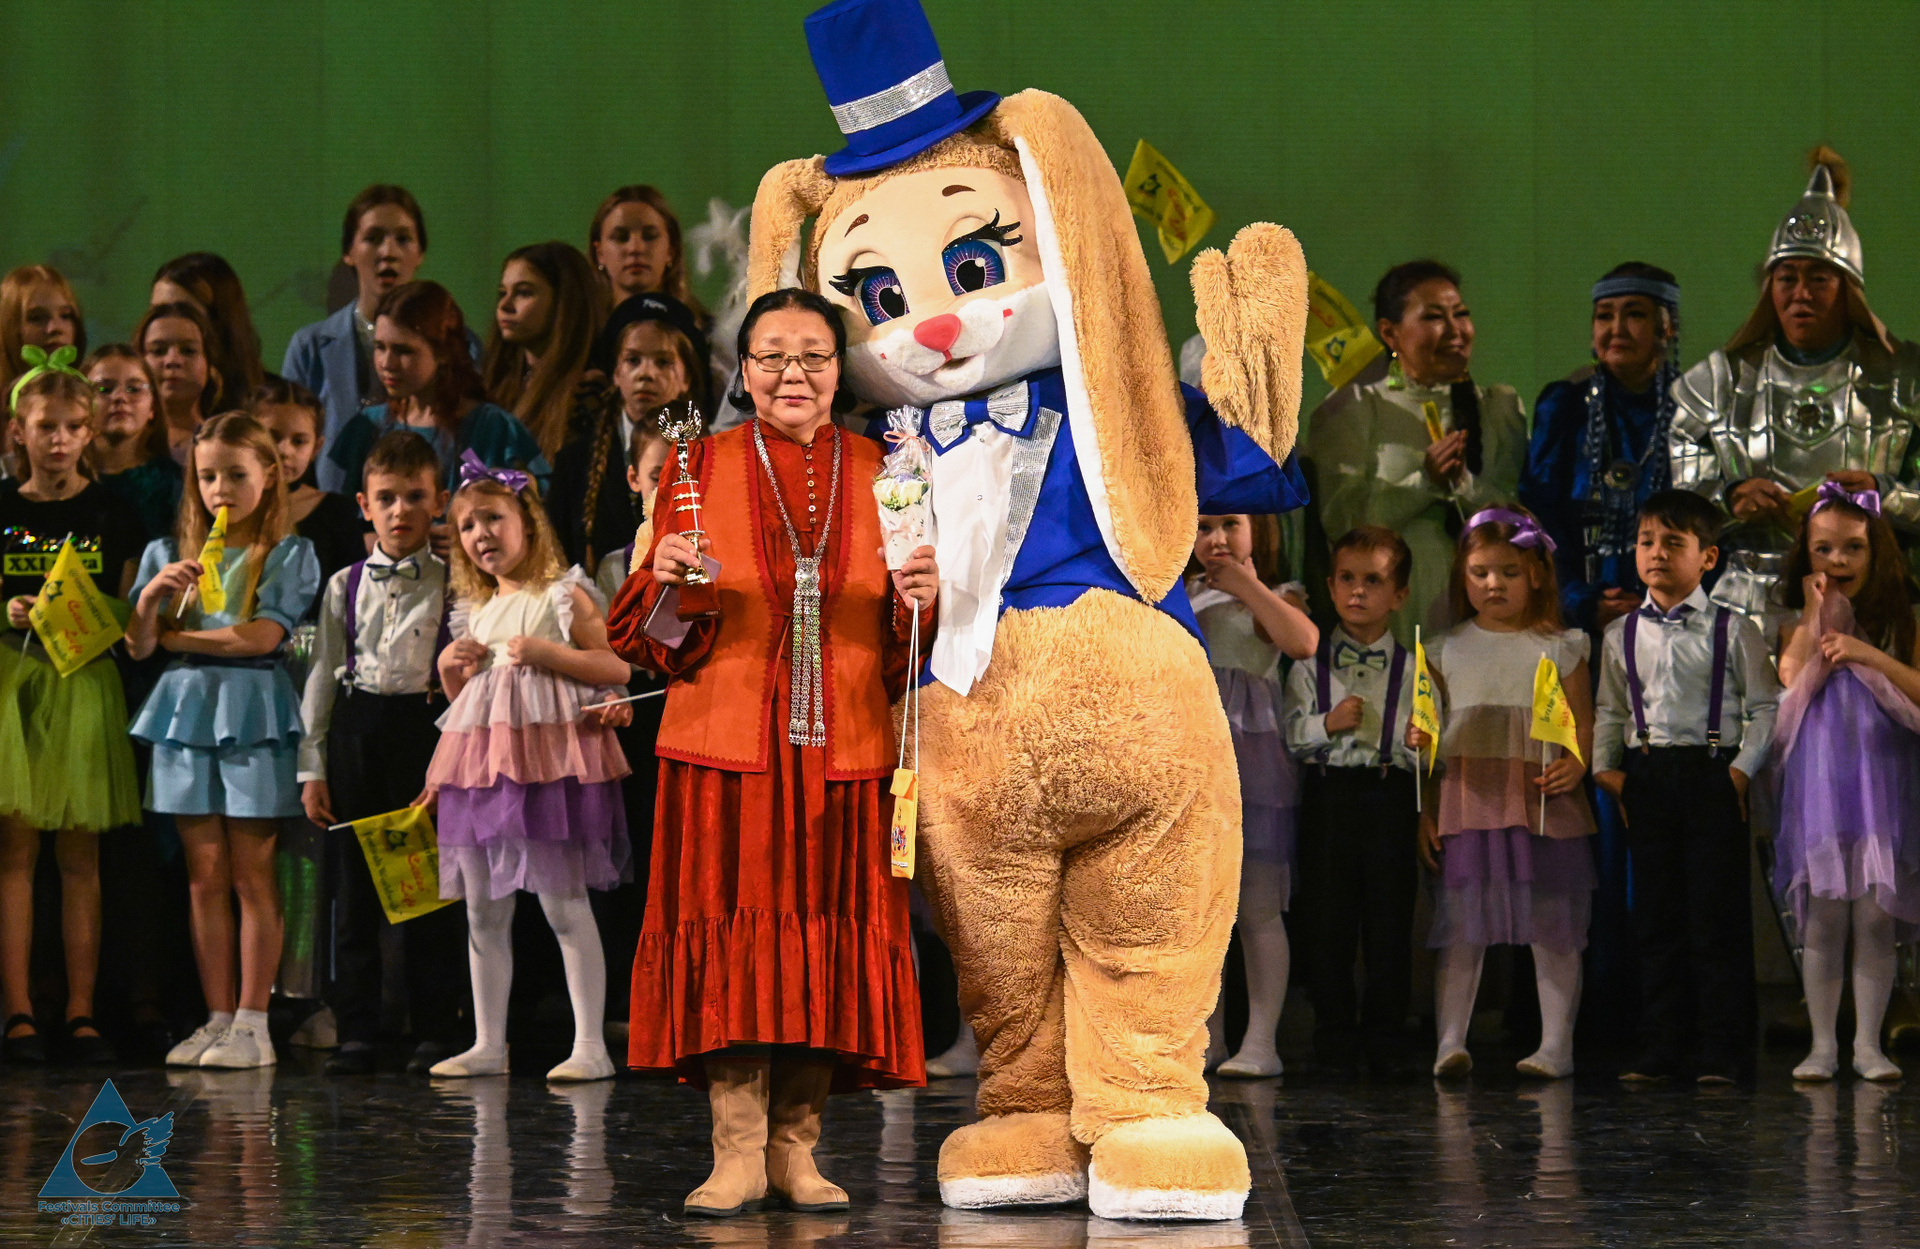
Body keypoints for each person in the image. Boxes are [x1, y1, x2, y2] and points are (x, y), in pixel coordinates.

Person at [606, 288, 936, 1217]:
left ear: (842, 369)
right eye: (773, 355)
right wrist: (666, 582)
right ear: (744, 371)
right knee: (735, 942)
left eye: (814, 355)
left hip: (846, 747)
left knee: (827, 942)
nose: (794, 373)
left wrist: (921, 599)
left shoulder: (888, 470)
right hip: (726, 749)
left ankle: (797, 1149)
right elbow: (651, 643)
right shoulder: (693, 467)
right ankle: (737, 1151)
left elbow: (910, 650)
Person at [419, 452, 633, 1083]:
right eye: (467, 526)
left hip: (547, 773)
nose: (480, 534)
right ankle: (489, 1042)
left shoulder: (562, 594)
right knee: (482, 910)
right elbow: (472, 711)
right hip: (485, 776)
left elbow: (616, 667)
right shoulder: (474, 611)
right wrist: (450, 672)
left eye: (493, 518)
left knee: (563, 903)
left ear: (527, 522)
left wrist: (545, 653)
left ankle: (590, 1044)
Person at [127, 413, 321, 1070]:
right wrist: (151, 601)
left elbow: (262, 636)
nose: (221, 489)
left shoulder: (288, 552)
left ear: (268, 476)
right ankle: (217, 1017)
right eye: (208, 476)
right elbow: (138, 646)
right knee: (203, 874)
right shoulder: (166, 553)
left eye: (237, 475)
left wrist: (176, 638)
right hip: (184, 714)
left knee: (250, 872)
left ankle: (254, 1021)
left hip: (253, 709)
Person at [1670, 148, 1920, 623]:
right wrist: (1731, 498)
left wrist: (1882, 492)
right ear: (1770, 288)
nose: (1801, 293)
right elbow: (1678, 506)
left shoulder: (1903, 378)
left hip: (1872, 603)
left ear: (1848, 288)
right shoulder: (1718, 382)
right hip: (1747, 605)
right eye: (1787, 278)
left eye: (1819, 278)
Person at [298, 430, 472, 1077]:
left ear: (439, 503)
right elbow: (321, 675)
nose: (401, 510)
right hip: (357, 729)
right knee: (354, 893)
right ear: (364, 505)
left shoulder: (456, 582)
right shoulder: (344, 583)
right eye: (387, 498)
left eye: (415, 497)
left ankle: (435, 1026)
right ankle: (357, 1030)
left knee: (429, 885)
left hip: (423, 728)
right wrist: (313, 766)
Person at [1592, 490, 1779, 1085]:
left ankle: (1723, 1047)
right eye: (1647, 541)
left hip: (1711, 773)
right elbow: (1610, 710)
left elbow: (1766, 707)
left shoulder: (1734, 629)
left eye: (1674, 543)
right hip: (1647, 774)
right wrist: (1607, 772)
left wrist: (1741, 770)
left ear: (1708, 557)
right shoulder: (1621, 633)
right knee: (1656, 916)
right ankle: (1662, 1044)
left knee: (1715, 917)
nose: (1656, 553)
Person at [1411, 506, 1596, 1080]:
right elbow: (1428, 742)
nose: (1495, 584)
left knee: (1554, 926)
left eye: (1510, 573)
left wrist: (1576, 764)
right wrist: (1426, 802)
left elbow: (1583, 721)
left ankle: (1556, 1046)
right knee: (1462, 927)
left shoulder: (1563, 646)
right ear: (1463, 577)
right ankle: (1450, 1041)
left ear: (1536, 574)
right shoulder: (1443, 649)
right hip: (1470, 801)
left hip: (1541, 797)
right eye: (1481, 573)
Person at [0, 358, 145, 1066]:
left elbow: (131, 606)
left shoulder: (112, 513)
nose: (57, 440)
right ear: (18, 431)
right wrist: (10, 607)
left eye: (71, 427)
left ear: (89, 433)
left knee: (81, 856)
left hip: (83, 684)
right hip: (15, 685)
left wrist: (89, 612)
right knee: (16, 853)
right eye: (44, 427)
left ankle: (82, 1009)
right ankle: (19, 1009)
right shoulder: (4, 508)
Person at [1772, 484, 1920, 1082]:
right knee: (1825, 918)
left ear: (1876, 552)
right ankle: (1822, 1045)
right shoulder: (1798, 621)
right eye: (1824, 549)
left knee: (1876, 918)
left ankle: (1867, 1045)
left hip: (1882, 786)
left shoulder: (1901, 621)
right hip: (1823, 792)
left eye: (1853, 548)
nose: (1837, 561)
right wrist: (1817, 613)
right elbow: (1790, 674)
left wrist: (1866, 653)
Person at [1309, 261, 1528, 644]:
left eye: (1461, 314)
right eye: (1433, 317)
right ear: (1389, 333)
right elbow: (1343, 525)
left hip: (1485, 616)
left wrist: (1464, 485)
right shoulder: (1353, 409)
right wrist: (1424, 482)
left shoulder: (1497, 408)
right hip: (1394, 619)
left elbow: (1519, 521)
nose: (1455, 330)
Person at [1286, 525, 1422, 1074]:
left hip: (1389, 797)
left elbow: (1429, 749)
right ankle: (1335, 1035)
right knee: (1328, 920)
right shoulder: (1307, 663)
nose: (1358, 591)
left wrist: (1418, 745)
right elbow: (1292, 734)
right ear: (1330, 586)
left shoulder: (1415, 668)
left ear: (1400, 594)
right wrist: (1327, 723)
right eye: (1346, 578)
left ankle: (1387, 1035)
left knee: (1390, 919)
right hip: (1330, 797)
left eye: (1373, 580)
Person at [1189, 512, 1317, 1078]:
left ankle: (1262, 1040)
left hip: (1251, 764)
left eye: (1230, 524)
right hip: (1193, 753)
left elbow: (1302, 641)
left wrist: (1244, 582)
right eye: (1204, 526)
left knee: (1258, 907)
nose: (1217, 538)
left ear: (1257, 528)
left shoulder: (1279, 592)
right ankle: (1210, 1038)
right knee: (1199, 910)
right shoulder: (1183, 593)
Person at [327, 282, 549, 499]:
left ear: (442, 352)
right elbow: (346, 512)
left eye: (403, 351)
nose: (386, 363)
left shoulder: (490, 428)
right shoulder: (368, 426)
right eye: (380, 347)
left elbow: (538, 496)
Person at [284, 185, 436, 493]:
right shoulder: (309, 347)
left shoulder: (456, 346)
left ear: (420, 253)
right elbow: (283, 442)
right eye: (373, 238)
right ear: (349, 253)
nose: (388, 252)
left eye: (403, 239)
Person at [548, 293, 709, 572]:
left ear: (687, 377)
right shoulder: (575, 463)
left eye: (663, 362)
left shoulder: (711, 455)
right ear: (615, 373)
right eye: (633, 360)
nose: (646, 374)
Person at [480, 242, 605, 458]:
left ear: (564, 302)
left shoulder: (588, 391)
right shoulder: (496, 381)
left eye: (524, 292)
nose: (504, 305)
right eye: (502, 293)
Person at [249, 375, 365, 590]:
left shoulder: (337, 513)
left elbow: (352, 591)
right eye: (272, 437)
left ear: (316, 447)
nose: (284, 451)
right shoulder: (231, 507)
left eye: (298, 441)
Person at [85, 344, 182, 541]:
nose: (120, 397)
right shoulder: (64, 476)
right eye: (104, 389)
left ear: (153, 407)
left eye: (134, 389)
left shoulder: (174, 483)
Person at [151, 253, 265, 412]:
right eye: (159, 312)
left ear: (220, 321)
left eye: (184, 312)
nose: (168, 322)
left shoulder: (264, 405)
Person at [587, 185, 709, 322]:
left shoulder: (706, 330)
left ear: (671, 250)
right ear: (599, 253)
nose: (635, 248)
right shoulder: (582, 329)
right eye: (621, 237)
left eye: (649, 236)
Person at [135, 300, 220, 464]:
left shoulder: (227, 442)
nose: (172, 361)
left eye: (188, 351)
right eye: (158, 351)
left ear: (209, 363)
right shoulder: (120, 443)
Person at [0, 265, 85, 407]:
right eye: (37, 318)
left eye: (65, 315)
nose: (55, 328)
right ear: (10, 326)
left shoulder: (89, 396)